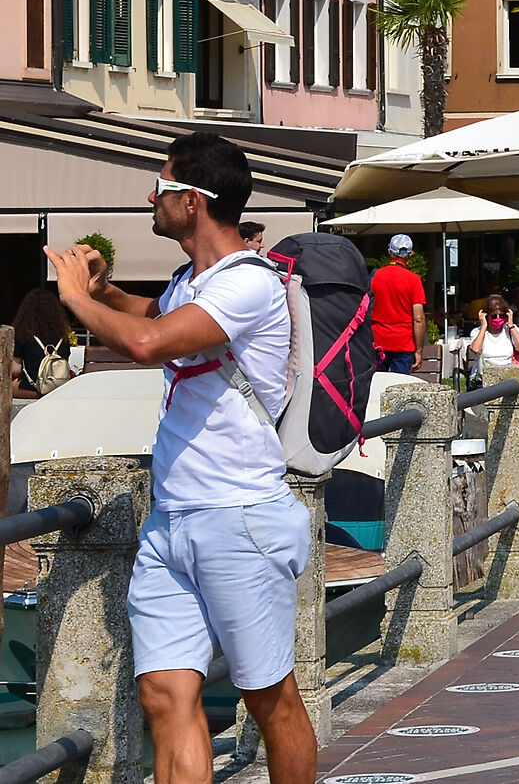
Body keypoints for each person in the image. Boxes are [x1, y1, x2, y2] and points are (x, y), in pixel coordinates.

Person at [43, 133, 317, 784]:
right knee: (164, 698)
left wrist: (76, 299)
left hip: (241, 520)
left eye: (161, 187)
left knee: (269, 701)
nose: (151, 197)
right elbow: (152, 314)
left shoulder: (249, 284)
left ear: (192, 202)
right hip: (172, 524)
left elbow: (148, 343)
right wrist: (106, 294)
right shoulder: (193, 282)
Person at [369, 234, 427, 375]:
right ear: (411, 255)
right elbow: (418, 318)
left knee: (376, 386)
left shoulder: (375, 276)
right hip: (403, 343)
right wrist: (419, 350)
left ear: (389, 251)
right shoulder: (414, 280)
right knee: (400, 390)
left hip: (377, 341)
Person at [11, 285, 70, 395]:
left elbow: (16, 369)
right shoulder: (62, 336)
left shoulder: (23, 334)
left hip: (30, 388)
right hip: (59, 390)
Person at [472, 295, 519, 382]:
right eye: (494, 316)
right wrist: (484, 326)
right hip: (484, 376)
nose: (498, 319)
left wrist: (511, 326)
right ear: (486, 316)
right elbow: (476, 349)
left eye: (501, 316)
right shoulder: (477, 332)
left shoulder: (511, 329)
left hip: (507, 374)